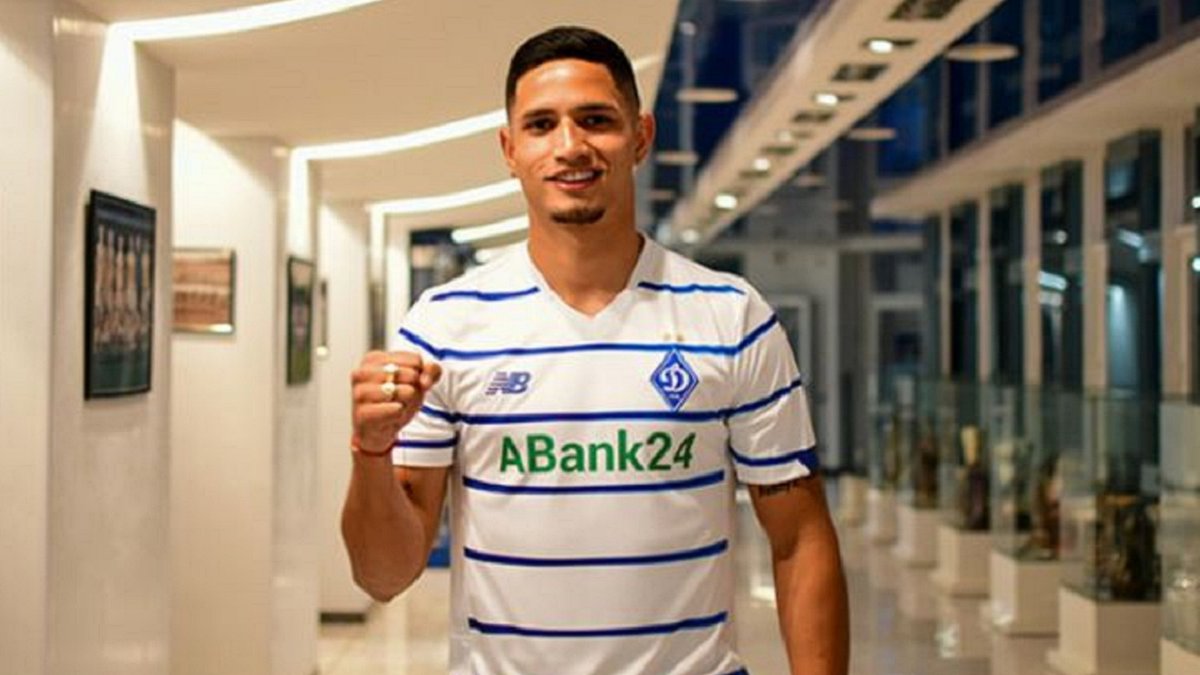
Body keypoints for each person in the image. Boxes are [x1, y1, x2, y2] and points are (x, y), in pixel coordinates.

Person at [342, 26, 849, 675]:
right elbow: (384, 575)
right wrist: (371, 451)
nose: (569, 146)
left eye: (595, 120)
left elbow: (800, 538)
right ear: (510, 148)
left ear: (640, 136)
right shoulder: (444, 326)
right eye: (541, 125)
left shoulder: (731, 317)